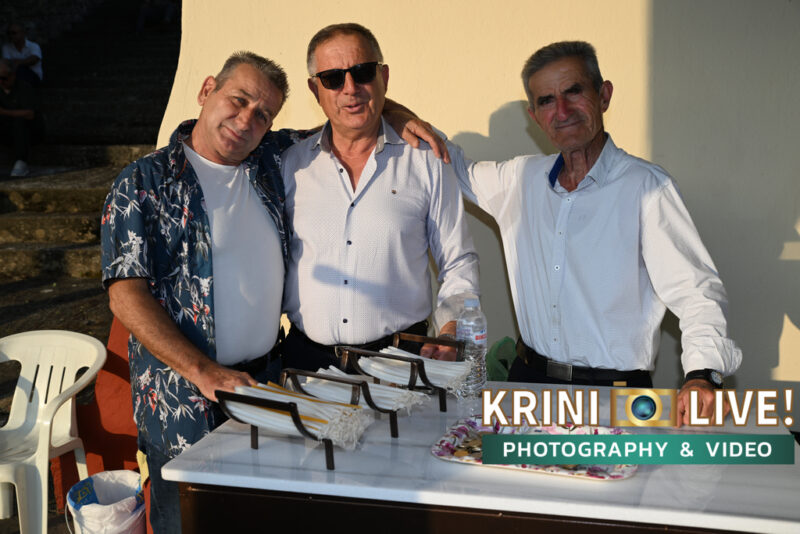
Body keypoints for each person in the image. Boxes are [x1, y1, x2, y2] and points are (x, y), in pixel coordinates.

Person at [101, 50, 443, 533]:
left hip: (266, 387)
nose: (246, 121)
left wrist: (399, 116)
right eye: (238, 100)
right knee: (189, 522)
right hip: (185, 398)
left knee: (264, 517)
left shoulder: (269, 159)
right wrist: (203, 371)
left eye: (263, 114)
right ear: (206, 90)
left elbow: (349, 114)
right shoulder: (143, 181)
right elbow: (125, 293)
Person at [448, 41, 741, 426]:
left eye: (574, 91)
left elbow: (697, 292)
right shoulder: (520, 180)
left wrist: (703, 375)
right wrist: (391, 111)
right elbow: (448, 163)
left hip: (616, 398)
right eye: (547, 100)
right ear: (534, 116)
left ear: (603, 95)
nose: (562, 111)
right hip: (527, 387)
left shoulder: (647, 188)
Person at [280, 23, 480, 372]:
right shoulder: (289, 163)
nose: (350, 88)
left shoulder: (427, 159)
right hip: (305, 365)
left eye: (362, 72)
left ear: (383, 76)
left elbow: (457, 261)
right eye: (332, 78)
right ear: (315, 90)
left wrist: (451, 328)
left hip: (401, 363)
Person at [0, 58, 43, 177]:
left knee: (20, 121)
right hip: (7, 130)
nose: (1, 82)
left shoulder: (24, 88)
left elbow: (29, 113)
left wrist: (4, 112)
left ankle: (21, 161)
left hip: (29, 131)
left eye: (4, 78)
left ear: (12, 75)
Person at [2, 23, 42, 88]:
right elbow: (6, 63)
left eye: (14, 33)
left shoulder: (33, 46)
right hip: (14, 77)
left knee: (20, 69)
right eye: (8, 33)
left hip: (34, 78)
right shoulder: (6, 47)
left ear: (22, 33)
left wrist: (17, 63)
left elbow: (34, 59)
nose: (11, 36)